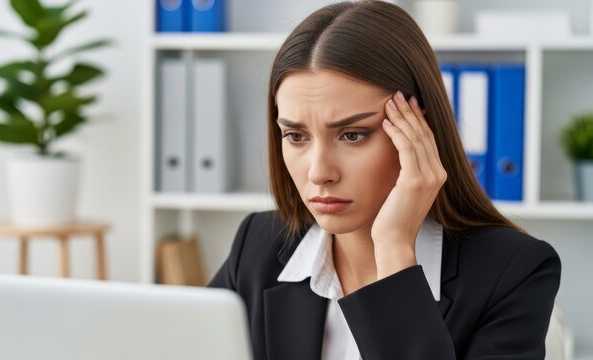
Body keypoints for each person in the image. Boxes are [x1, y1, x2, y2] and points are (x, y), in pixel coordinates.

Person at [208, 1, 562, 359]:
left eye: (352, 135)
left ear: (417, 131)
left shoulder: (514, 273)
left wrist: (394, 249)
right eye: (297, 136)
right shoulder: (257, 247)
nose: (319, 173)